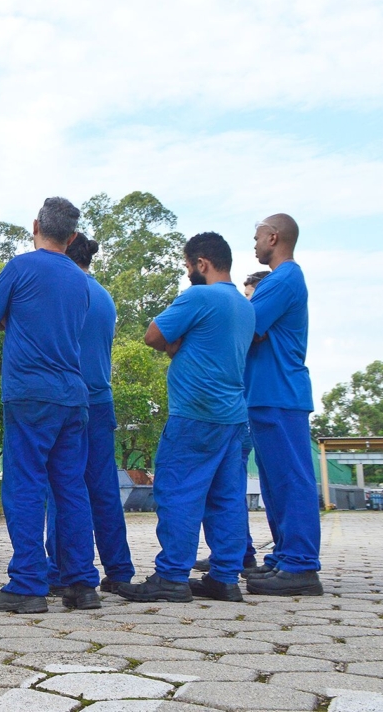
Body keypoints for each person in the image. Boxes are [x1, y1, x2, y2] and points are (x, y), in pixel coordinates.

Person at [117, 232, 255, 604]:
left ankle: (172, 576)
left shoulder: (200, 295)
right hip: (234, 417)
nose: (187, 272)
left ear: (202, 263)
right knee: (226, 498)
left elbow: (152, 335)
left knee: (177, 492)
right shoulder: (245, 306)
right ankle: (225, 578)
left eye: (187, 265)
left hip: (196, 413)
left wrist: (172, 346)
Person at [0, 197, 96, 612]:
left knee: (26, 486)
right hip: (73, 395)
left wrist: (17, 320)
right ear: (73, 236)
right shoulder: (82, 281)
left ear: (35, 226)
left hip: (30, 392)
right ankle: (81, 584)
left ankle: (28, 583)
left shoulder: (21, 267)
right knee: (71, 488)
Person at [44, 233, 135, 595]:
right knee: (104, 490)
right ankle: (119, 569)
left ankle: (60, 571)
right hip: (101, 399)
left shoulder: (65, 292)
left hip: (69, 399)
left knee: (63, 486)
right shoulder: (104, 296)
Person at [243, 214, 323, 596]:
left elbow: (249, 328)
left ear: (273, 238)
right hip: (265, 393)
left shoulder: (283, 278)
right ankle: (284, 556)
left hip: (281, 392)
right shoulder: (279, 280)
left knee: (292, 480)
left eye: (257, 237)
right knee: (275, 483)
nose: (254, 244)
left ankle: (302, 565)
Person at [194, 269, 270, 576]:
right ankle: (240, 553)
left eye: (251, 296)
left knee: (227, 490)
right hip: (240, 409)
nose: (249, 303)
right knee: (228, 489)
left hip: (235, 411)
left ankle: (235, 555)